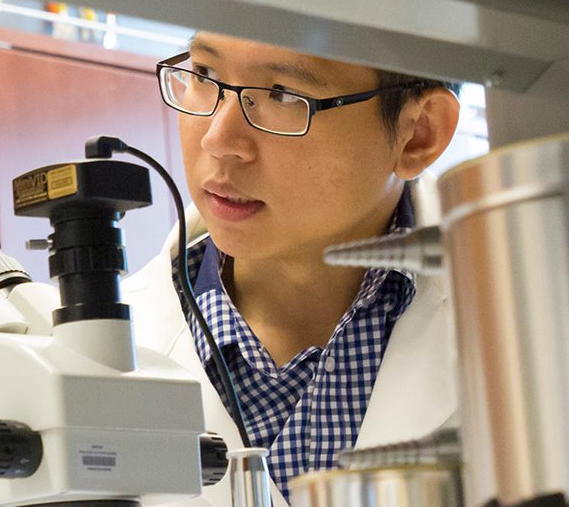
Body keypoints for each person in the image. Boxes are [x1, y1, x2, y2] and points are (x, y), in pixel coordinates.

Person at [121, 32, 463, 506]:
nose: (219, 141)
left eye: (283, 94)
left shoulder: (528, 333)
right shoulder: (77, 357)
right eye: (205, 74)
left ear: (418, 133)